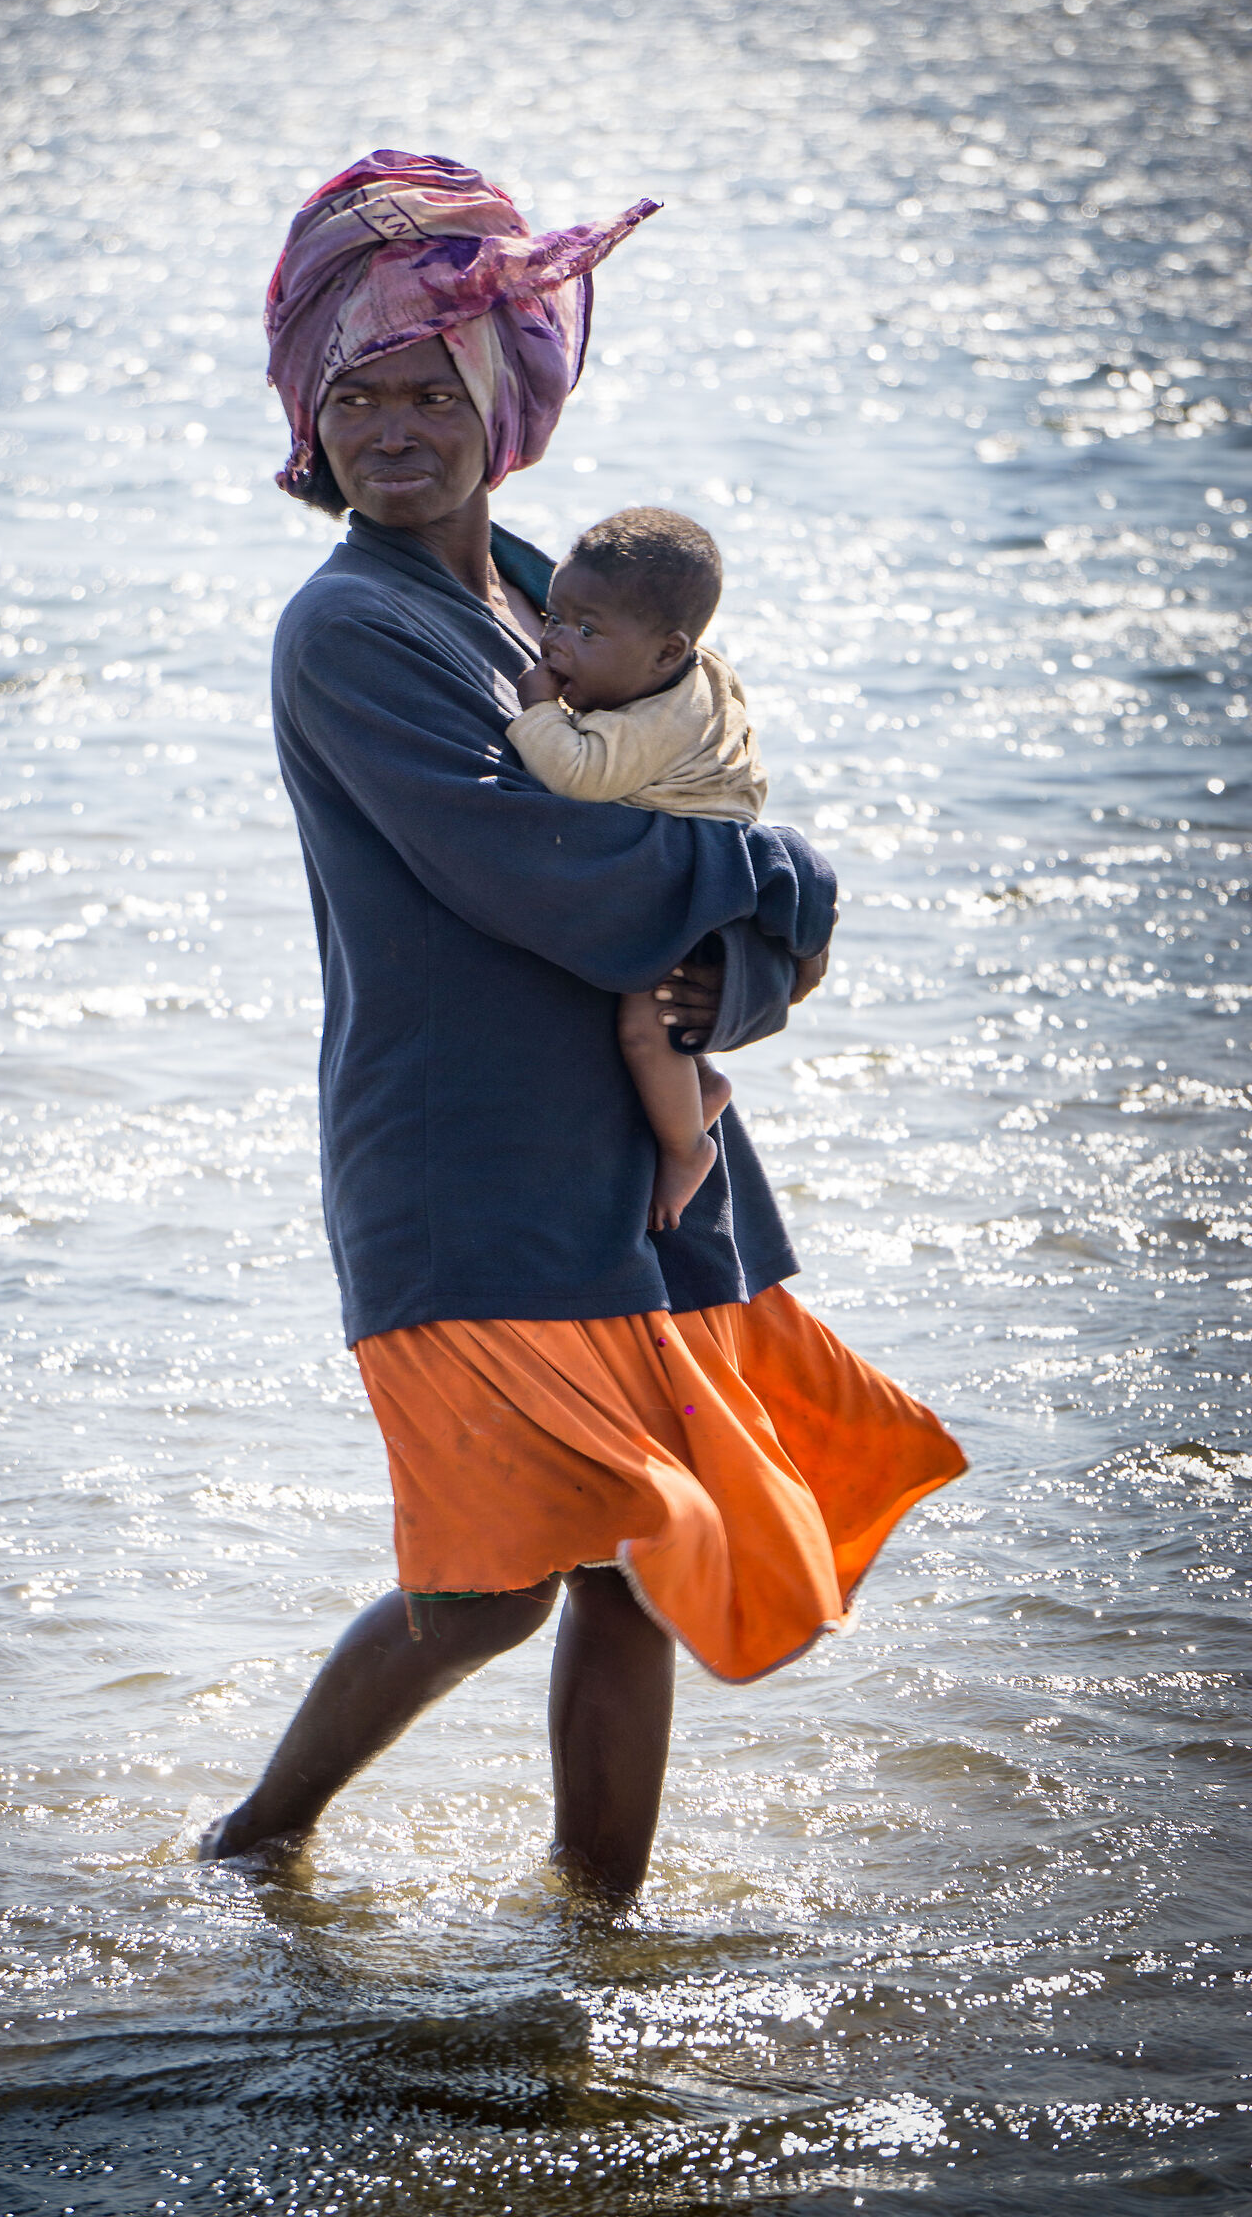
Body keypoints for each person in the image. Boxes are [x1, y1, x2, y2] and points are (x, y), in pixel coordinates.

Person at [202, 149, 965, 1897]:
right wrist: (801, 895)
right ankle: (253, 1855)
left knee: (641, 1567)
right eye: (361, 397)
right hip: (467, 1180)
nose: (396, 428)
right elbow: (542, 870)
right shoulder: (349, 631)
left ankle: (596, 1925)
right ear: (314, 428)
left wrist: (751, 966)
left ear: (497, 405)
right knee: (484, 1589)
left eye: (428, 390)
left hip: (632, 1169)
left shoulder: (543, 594)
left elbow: (689, 826)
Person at [508, 505, 768, 1232]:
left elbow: (580, 774)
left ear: (666, 654)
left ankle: (688, 1147)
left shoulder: (661, 717)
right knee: (656, 1032)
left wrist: (536, 712)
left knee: (643, 1029)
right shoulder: (662, 678)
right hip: (694, 858)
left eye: (588, 633)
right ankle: (702, 1087)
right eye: (555, 618)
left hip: (692, 880)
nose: (557, 642)